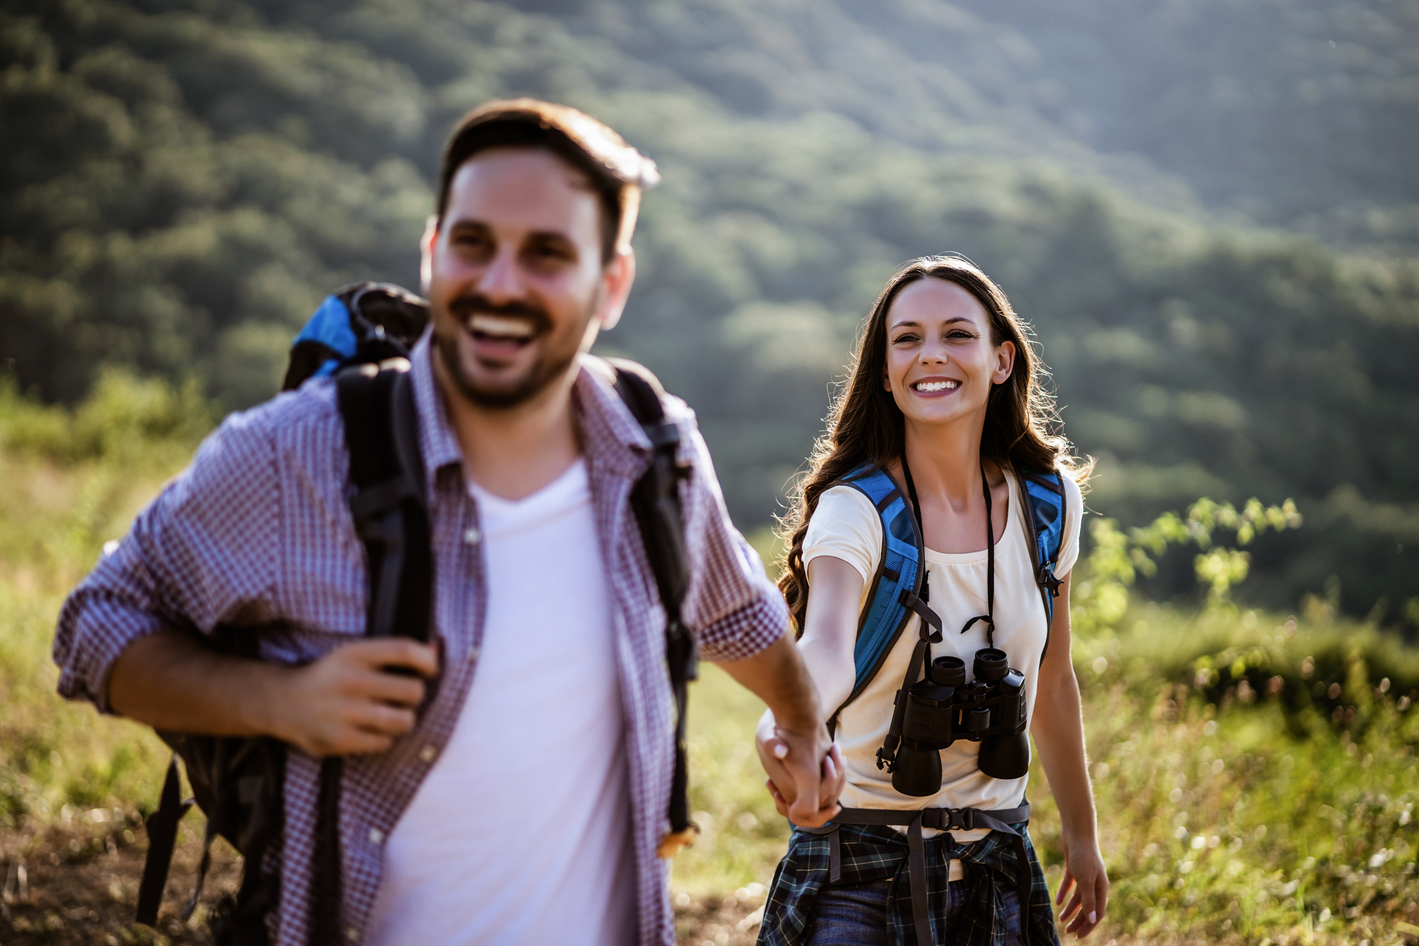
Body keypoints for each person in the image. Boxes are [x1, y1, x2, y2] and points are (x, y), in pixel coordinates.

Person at [52, 99, 844, 946]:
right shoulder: (298, 453)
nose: (500, 283)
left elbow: (732, 612)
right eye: (474, 244)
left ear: (610, 284)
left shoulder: (651, 448)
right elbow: (93, 627)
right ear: (434, 252)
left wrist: (800, 723)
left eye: (546, 254)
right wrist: (279, 701)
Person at [753, 256, 1108, 945]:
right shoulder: (854, 511)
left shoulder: (1048, 502)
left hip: (997, 862)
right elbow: (823, 643)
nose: (931, 355)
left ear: (1001, 360)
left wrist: (1081, 835)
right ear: (883, 372)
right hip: (857, 867)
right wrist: (788, 721)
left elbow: (1054, 684)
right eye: (906, 339)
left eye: (956, 334)